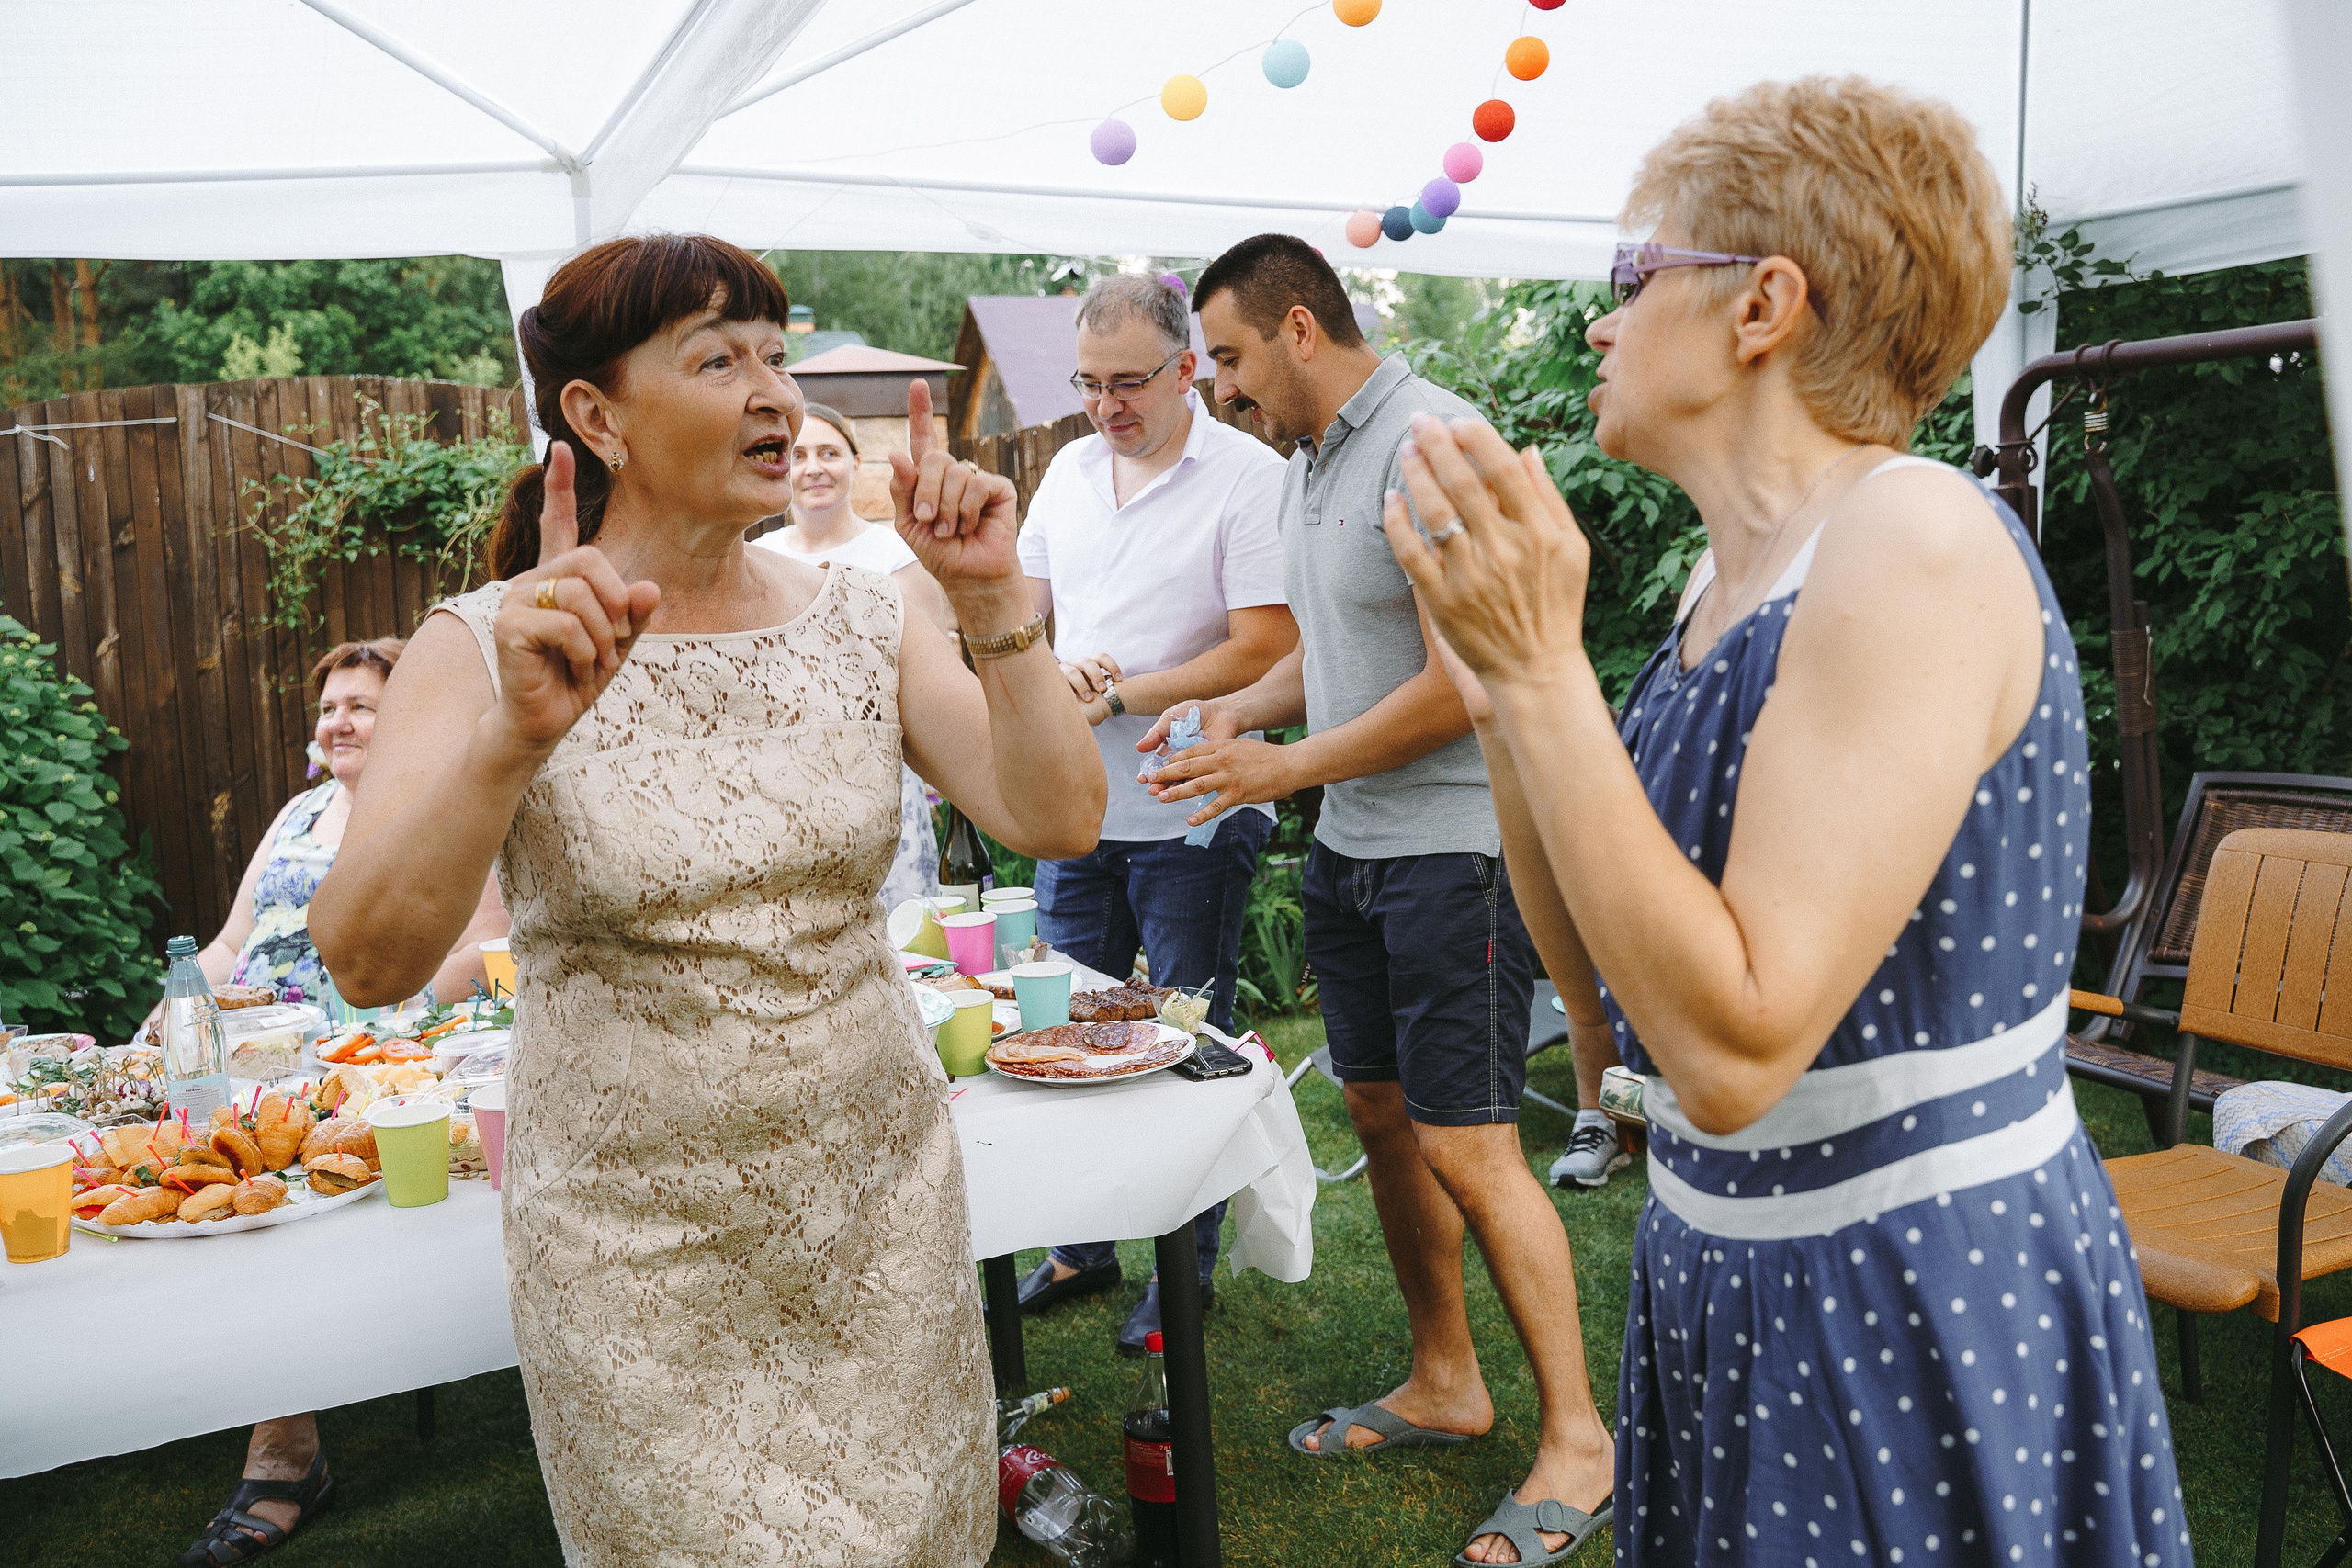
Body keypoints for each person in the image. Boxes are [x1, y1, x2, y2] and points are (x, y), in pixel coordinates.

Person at [1383, 77, 2188, 1565]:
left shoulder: (1912, 534)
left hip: (1907, 1285)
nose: (1602, 325)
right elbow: (1613, 1009)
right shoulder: (1715, 590)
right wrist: (1505, 694)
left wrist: (1551, 669)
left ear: (1764, 304)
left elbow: (1743, 1048)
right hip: (1730, 1270)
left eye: (1634, 279)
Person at [308, 234, 1104, 1568]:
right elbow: (369, 957)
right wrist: (511, 740)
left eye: (779, 358)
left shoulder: (865, 616)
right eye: (719, 358)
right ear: (596, 414)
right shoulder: (479, 644)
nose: (775, 394)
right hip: (633, 1246)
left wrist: (989, 601)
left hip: (878, 1210)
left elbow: (1057, 816)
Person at [1142, 234, 1618, 1566]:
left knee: (1471, 1138)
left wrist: (1283, 764)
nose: (1220, 388)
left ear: (1301, 329)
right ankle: (1445, 1378)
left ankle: (1580, 1437)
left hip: (1455, 851)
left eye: (1229, 358)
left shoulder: (1430, 443)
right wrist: (1239, 705)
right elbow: (1347, 660)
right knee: (1384, 1116)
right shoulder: (1313, 462)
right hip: (1352, 847)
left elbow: (1472, 681)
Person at [1010, 273, 1297, 1353]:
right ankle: (1082, 1249)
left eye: (1127, 382)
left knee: (1184, 1047)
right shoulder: (1071, 472)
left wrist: (1123, 691)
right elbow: (1023, 618)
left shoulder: (1249, 478)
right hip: (1078, 813)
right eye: (1088, 384)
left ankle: (1186, 1270)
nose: (1104, 406)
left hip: (1192, 816)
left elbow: (1264, 647)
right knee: (1066, 1037)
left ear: (1187, 370)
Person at [175, 637, 507, 1568]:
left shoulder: (446, 809)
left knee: (266, 1176)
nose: (341, 721)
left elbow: (484, 950)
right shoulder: (299, 814)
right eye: (331, 708)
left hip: (376, 1062)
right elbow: (232, 940)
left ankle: (283, 1458)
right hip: (260, 1060)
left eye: (364, 704)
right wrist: (171, 1007)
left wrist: (370, 1022)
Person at [752, 401, 953, 908]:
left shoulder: (895, 556)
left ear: (856, 464)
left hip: (879, 780)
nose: (814, 467)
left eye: (829, 452)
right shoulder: (757, 557)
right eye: (797, 455)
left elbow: (934, 679)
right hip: (783, 787)